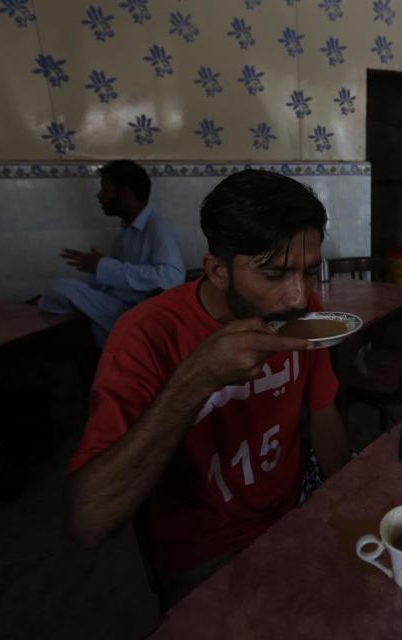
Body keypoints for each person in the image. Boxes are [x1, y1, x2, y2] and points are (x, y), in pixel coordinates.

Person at [64, 170, 350, 605]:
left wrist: (347, 501)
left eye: (310, 273)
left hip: (295, 504)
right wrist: (195, 379)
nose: (298, 296)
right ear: (217, 271)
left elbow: (324, 409)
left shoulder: (301, 309)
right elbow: (88, 521)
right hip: (209, 547)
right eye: (274, 274)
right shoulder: (145, 335)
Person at [40, 160, 185, 346]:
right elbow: (120, 276)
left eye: (105, 189)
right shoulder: (126, 231)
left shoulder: (157, 227)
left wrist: (103, 266)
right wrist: (101, 267)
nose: (99, 196)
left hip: (138, 311)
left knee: (61, 289)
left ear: (124, 194)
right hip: (117, 304)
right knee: (61, 294)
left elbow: (172, 278)